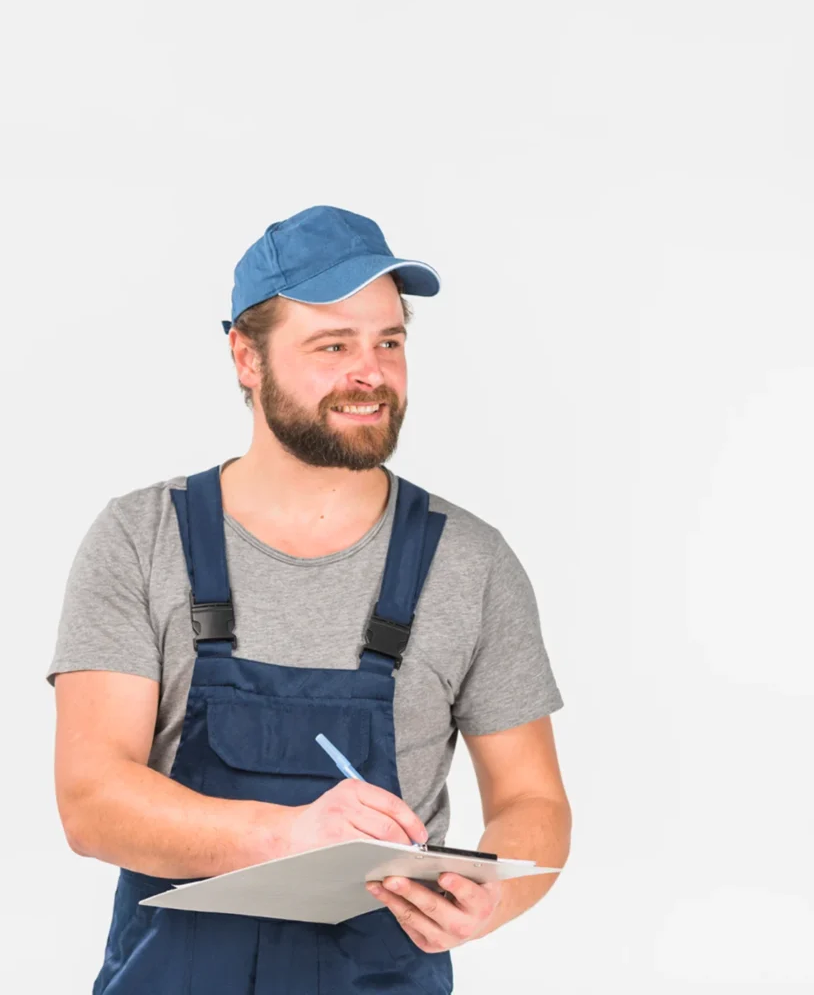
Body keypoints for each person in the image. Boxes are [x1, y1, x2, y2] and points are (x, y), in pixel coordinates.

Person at [48, 204, 572, 994]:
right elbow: (91, 800)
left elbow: (534, 801)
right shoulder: (140, 539)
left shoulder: (472, 563)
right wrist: (290, 835)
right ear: (244, 357)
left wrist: (493, 893)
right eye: (333, 345)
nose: (371, 373)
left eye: (388, 342)